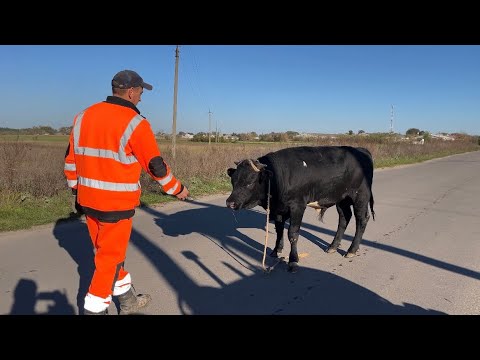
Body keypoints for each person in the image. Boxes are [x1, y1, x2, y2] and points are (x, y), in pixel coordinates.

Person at [64, 69, 189, 315]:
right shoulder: (135, 123)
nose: (141, 98)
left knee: (107, 254)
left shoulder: (83, 116)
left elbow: (70, 159)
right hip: (116, 205)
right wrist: (177, 189)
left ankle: (128, 301)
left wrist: (75, 188)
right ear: (131, 92)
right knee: (108, 260)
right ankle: (94, 310)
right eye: (141, 93)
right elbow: (155, 165)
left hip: (87, 199)